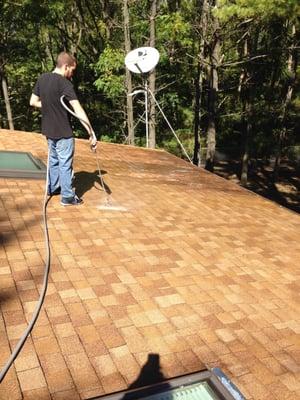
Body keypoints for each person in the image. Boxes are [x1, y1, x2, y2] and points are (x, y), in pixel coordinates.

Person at [30, 51, 97, 206]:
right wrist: (91, 132)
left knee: (53, 160)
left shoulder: (42, 79)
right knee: (65, 163)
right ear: (65, 66)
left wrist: (48, 106)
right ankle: (67, 196)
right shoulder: (64, 84)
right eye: (72, 70)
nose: (71, 74)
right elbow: (78, 109)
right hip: (64, 133)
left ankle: (53, 188)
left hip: (49, 131)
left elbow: (33, 102)